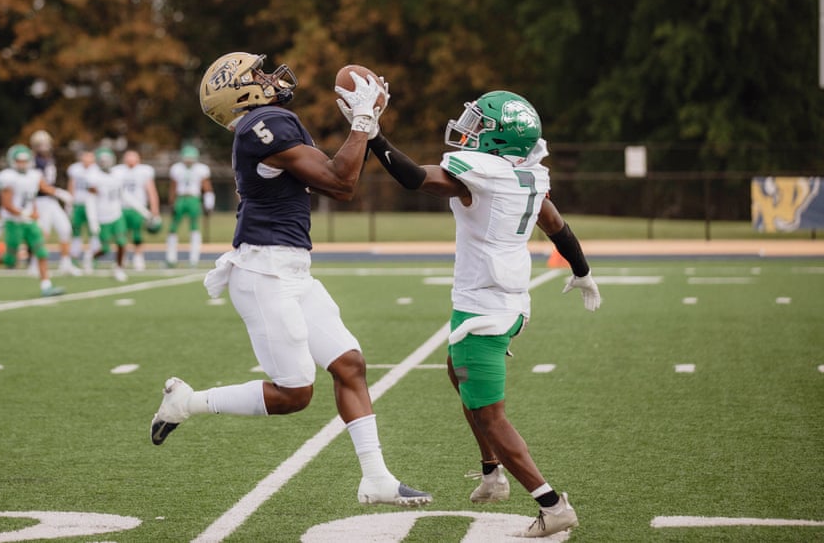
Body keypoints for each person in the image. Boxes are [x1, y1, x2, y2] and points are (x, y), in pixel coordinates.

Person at [150, 51, 432, 507]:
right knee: (294, 393)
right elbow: (341, 184)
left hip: (292, 270)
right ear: (239, 89)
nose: (267, 76)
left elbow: (336, 176)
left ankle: (376, 478)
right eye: (255, 74)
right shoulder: (263, 124)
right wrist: (362, 119)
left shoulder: (273, 121)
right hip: (263, 273)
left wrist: (368, 126)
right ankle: (188, 402)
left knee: (349, 364)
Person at [345, 90, 601, 537]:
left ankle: (551, 504)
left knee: (490, 415)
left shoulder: (477, 175)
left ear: (501, 138)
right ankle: (490, 474)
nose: (470, 128)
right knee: (455, 372)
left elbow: (412, 178)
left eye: (481, 124)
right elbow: (558, 227)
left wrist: (372, 133)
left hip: (483, 311)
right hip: (509, 305)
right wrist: (582, 270)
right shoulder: (528, 176)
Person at [0, 144, 65, 297]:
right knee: (11, 260)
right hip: (13, 221)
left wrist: (57, 195)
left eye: (24, 160)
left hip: (29, 221)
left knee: (42, 251)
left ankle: (46, 286)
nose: (22, 164)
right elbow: (7, 205)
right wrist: (25, 213)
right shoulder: (7, 177)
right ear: (12, 161)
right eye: (19, 161)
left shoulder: (34, 175)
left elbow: (34, 195)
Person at [28, 129, 82, 276]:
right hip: (40, 200)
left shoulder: (48, 159)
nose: (44, 147)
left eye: (45, 144)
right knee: (42, 233)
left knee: (65, 229)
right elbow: (40, 184)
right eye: (41, 145)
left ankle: (65, 263)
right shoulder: (34, 162)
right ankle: (34, 264)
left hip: (51, 201)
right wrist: (59, 192)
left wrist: (56, 194)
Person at [112, 149, 161, 270]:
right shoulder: (117, 171)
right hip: (121, 208)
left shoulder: (144, 171)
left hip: (139, 208)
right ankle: (121, 258)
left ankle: (138, 257)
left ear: (138, 159)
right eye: (128, 157)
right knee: (120, 234)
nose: (130, 160)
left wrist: (154, 208)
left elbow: (151, 190)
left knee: (137, 235)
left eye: (133, 157)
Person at [165, 144, 213, 268]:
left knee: (194, 228)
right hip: (180, 198)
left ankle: (194, 259)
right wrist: (171, 203)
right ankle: (171, 259)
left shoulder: (201, 169)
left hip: (194, 199)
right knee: (173, 228)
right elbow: (173, 187)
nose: (188, 160)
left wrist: (209, 203)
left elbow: (207, 187)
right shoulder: (177, 168)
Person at [86, 147, 129, 282]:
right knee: (105, 249)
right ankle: (90, 256)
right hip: (102, 217)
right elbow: (90, 200)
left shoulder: (118, 174)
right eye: (102, 161)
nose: (105, 163)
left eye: (107, 160)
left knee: (122, 242)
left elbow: (124, 195)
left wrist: (144, 211)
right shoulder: (93, 176)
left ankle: (119, 268)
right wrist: (93, 221)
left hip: (116, 214)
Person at [67, 149, 102, 273]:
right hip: (78, 203)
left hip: (92, 205)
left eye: (90, 157)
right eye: (85, 156)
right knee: (76, 231)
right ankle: (74, 256)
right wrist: (69, 201)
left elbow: (100, 188)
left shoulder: (97, 170)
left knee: (94, 231)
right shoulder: (75, 169)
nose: (87, 160)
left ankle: (92, 257)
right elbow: (71, 184)